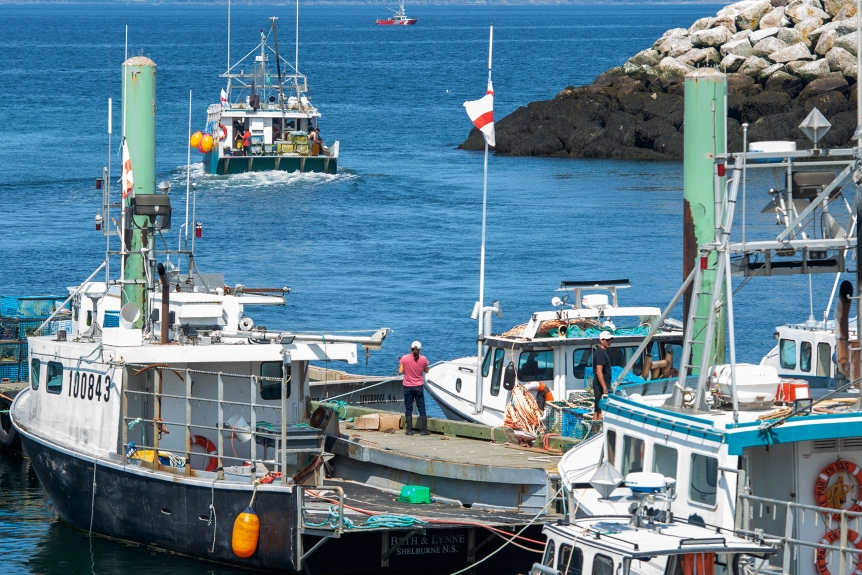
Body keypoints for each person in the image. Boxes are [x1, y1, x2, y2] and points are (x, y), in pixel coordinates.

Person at [398, 340, 430, 436]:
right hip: (418, 386)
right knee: (421, 407)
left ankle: (409, 431)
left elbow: (400, 371)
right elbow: (426, 370)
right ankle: (423, 431)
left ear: (410, 348)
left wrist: (400, 364)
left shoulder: (404, 358)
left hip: (407, 386)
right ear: (419, 350)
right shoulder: (423, 359)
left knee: (408, 408)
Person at [592, 331, 614, 421]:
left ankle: (595, 429)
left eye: (610, 340)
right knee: (600, 408)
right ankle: (598, 429)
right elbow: (599, 372)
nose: (609, 342)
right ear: (602, 340)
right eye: (607, 340)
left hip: (601, 383)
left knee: (597, 408)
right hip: (601, 384)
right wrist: (605, 388)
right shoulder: (601, 353)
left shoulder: (601, 352)